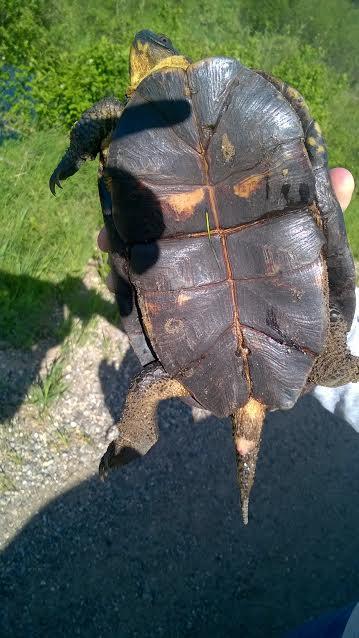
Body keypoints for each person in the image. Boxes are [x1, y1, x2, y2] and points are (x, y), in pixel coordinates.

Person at [97, 167, 359, 638]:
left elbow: (332, 312)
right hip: (242, 164)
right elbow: (146, 384)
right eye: (245, 449)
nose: (243, 445)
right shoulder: (318, 358)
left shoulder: (320, 358)